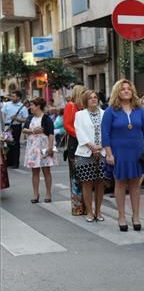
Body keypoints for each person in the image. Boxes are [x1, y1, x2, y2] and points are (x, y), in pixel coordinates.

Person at [102, 79, 144, 232]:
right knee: (120, 184)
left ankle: (136, 216)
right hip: (119, 153)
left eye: (129, 89)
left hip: (137, 152)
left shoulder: (139, 110)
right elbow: (105, 133)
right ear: (118, 92)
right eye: (123, 89)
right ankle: (121, 216)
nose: (126, 91)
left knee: (136, 185)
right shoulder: (111, 111)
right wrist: (109, 153)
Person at [74, 90, 106, 223]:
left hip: (102, 150)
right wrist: (91, 146)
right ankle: (89, 211)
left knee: (100, 183)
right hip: (85, 152)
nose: (93, 99)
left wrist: (101, 146)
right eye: (90, 98)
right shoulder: (79, 115)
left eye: (95, 97)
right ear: (85, 101)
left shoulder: (105, 114)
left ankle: (98, 211)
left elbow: (108, 131)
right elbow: (79, 131)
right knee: (87, 183)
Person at [22, 97, 58, 203]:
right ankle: (35, 194)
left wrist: (50, 148)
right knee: (35, 171)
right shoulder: (30, 118)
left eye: (32, 105)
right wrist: (32, 130)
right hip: (33, 148)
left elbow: (51, 134)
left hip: (44, 147)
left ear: (38, 106)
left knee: (46, 171)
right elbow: (24, 129)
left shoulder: (46, 118)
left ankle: (48, 193)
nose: (30, 107)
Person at [64, 85, 86, 216]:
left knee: (82, 175)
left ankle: (84, 204)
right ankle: (77, 207)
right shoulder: (71, 106)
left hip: (82, 141)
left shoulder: (81, 107)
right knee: (75, 175)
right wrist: (79, 134)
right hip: (75, 142)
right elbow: (67, 125)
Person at [2, 90, 28, 168]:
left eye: (13, 96)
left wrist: (17, 119)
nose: (12, 98)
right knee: (7, 143)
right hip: (7, 126)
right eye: (11, 96)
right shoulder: (7, 104)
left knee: (15, 144)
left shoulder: (22, 107)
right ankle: (8, 162)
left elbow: (25, 119)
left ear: (18, 97)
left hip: (16, 126)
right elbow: (3, 114)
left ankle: (15, 163)